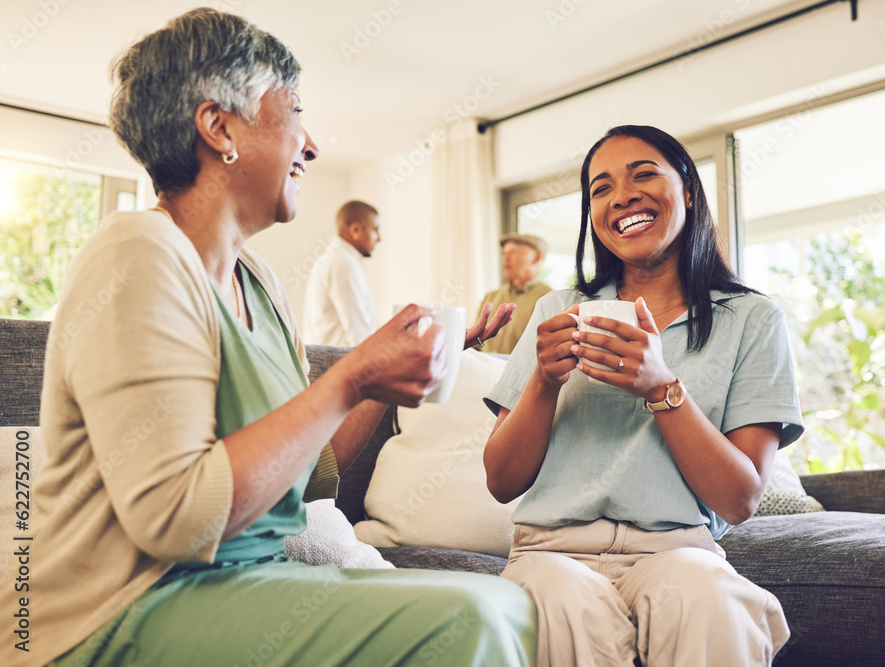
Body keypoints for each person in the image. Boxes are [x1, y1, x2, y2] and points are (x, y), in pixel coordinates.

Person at [0, 9, 531, 667]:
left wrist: (383, 379)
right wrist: (352, 374)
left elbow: (310, 478)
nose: (310, 145)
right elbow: (177, 519)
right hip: (115, 610)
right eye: (294, 111)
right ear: (218, 126)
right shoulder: (137, 254)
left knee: (511, 605)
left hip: (240, 580)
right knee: (470, 619)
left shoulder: (260, 283)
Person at [483, 125, 805, 666]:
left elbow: (739, 500)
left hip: (678, 549)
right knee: (558, 600)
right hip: (550, 550)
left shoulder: (752, 319)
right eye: (601, 188)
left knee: (712, 600)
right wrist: (543, 380)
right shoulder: (557, 310)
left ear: (689, 191)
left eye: (643, 174)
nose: (622, 195)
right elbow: (502, 481)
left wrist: (662, 387)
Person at [302, 200, 381, 346]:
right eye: (375, 230)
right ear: (355, 230)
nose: (379, 238)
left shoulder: (338, 258)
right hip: (334, 363)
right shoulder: (343, 263)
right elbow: (359, 337)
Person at [477, 234, 552, 354]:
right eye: (504, 253)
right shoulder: (490, 297)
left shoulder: (549, 299)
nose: (506, 258)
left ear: (537, 258)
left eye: (513, 252)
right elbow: (475, 344)